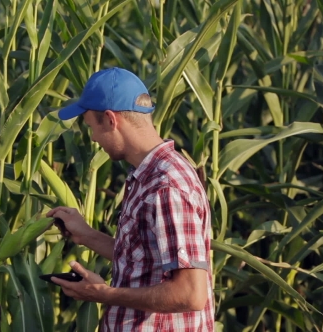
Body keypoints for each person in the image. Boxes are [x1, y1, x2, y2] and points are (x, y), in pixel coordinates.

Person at [46, 67, 214, 331]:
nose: (92, 137)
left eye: (91, 126)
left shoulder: (166, 186)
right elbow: (146, 261)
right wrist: (85, 235)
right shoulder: (145, 176)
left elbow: (190, 294)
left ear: (111, 120)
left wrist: (103, 293)